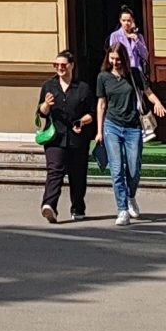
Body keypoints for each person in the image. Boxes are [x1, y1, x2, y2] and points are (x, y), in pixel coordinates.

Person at [95, 42, 166, 225]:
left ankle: (130, 196)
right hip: (111, 126)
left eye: (118, 59)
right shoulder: (103, 77)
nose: (115, 62)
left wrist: (157, 102)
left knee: (134, 169)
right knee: (117, 169)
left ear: (125, 58)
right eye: (112, 58)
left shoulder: (134, 74)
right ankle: (122, 210)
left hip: (133, 127)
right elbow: (101, 104)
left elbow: (148, 92)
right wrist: (99, 131)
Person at [34, 49, 97, 224]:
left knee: (78, 175)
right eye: (56, 65)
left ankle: (78, 207)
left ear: (71, 66)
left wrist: (82, 122)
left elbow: (92, 113)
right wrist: (46, 105)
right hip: (55, 137)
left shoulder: (83, 88)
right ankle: (49, 205)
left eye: (63, 65)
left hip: (77, 138)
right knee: (54, 171)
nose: (60, 68)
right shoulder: (48, 86)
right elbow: (41, 113)